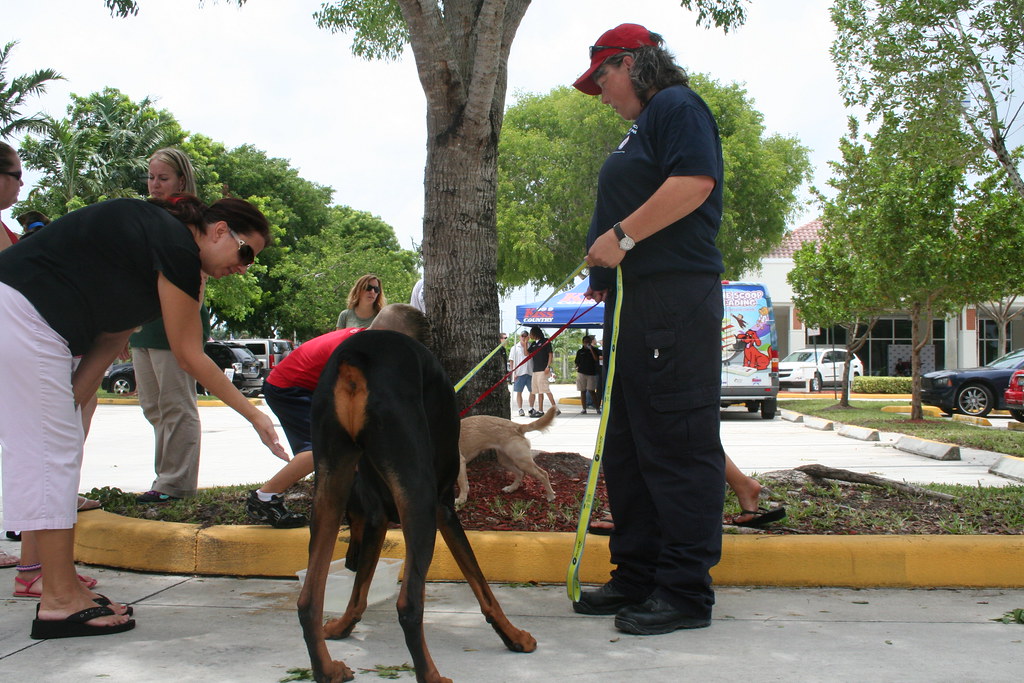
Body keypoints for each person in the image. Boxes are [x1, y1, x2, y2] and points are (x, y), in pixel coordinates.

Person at [0, 192, 287, 639]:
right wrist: (254, 415)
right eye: (245, 250)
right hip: (21, 313)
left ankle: (61, 583)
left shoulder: (153, 251)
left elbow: (111, 339)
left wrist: (70, 404)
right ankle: (57, 599)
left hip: (30, 322)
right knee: (51, 456)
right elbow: (190, 355)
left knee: (58, 450)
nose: (245, 265)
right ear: (217, 231)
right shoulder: (174, 245)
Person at [571, 24, 727, 636]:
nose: (601, 92)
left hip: (673, 300)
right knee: (629, 445)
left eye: (602, 77)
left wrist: (624, 237)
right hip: (633, 304)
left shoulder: (677, 106)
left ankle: (685, 591)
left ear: (632, 63)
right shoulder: (639, 128)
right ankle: (639, 573)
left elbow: (693, 183)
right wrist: (605, 277)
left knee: (676, 442)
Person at [246, 304, 431, 527]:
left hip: (309, 386)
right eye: (402, 348)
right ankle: (263, 498)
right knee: (321, 449)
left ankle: (359, 502)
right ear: (386, 336)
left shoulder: (367, 344)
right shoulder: (355, 352)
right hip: (290, 388)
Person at [131, 148, 211, 503]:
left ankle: (175, 485)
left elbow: (200, 273)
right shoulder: (148, 214)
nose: (154, 185)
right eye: (151, 177)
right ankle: (163, 478)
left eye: (163, 178)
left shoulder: (192, 218)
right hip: (143, 324)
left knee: (177, 405)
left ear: (181, 179)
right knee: (153, 406)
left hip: (176, 323)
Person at [527, 326, 558, 417]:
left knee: (545, 390)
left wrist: (548, 366)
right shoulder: (533, 344)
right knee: (537, 390)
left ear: (535, 333)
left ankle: (553, 408)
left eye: (531, 333)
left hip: (543, 370)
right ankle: (540, 410)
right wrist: (525, 343)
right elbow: (527, 354)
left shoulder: (545, 341)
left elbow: (550, 354)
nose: (530, 335)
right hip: (535, 370)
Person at [508, 330, 534, 417]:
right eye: (522, 336)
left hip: (530, 372)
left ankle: (531, 408)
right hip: (519, 373)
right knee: (519, 392)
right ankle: (520, 409)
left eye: (525, 336)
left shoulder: (531, 346)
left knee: (532, 391)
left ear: (528, 337)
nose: (524, 337)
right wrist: (513, 373)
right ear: (520, 337)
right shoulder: (514, 348)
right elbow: (511, 361)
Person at [574, 335, 602, 414]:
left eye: (588, 342)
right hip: (581, 373)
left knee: (592, 391)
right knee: (582, 391)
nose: (587, 343)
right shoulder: (580, 351)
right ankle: (584, 408)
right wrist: (577, 366)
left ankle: (597, 408)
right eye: (585, 342)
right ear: (583, 342)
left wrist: (591, 350)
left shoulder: (595, 350)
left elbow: (596, 359)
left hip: (591, 373)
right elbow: (577, 362)